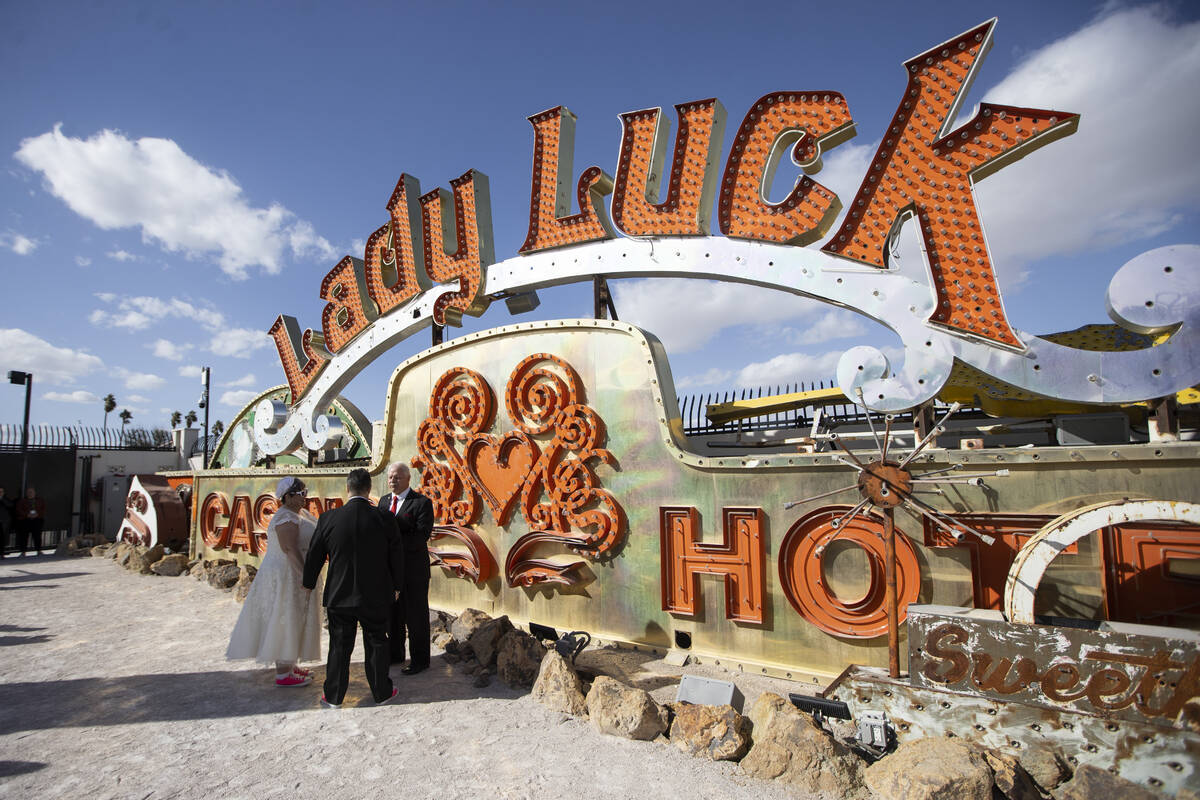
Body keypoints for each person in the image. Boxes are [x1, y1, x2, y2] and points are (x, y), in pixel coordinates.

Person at [303, 468, 405, 708]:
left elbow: (314, 555)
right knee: (378, 643)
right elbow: (396, 556)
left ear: (347, 489)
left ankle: (334, 696)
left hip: (339, 594)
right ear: (369, 489)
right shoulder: (384, 518)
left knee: (339, 646)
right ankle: (382, 692)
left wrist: (307, 584)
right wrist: (397, 586)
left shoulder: (328, 518)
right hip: (376, 593)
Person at [226, 476, 322, 687]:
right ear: (287, 497)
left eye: (305, 492)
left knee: (296, 616)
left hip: (292, 571)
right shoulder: (285, 517)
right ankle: (283, 672)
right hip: (287, 573)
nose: (304, 497)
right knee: (285, 615)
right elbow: (290, 549)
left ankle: (289, 662)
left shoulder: (298, 513)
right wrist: (305, 576)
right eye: (300, 493)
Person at [378, 462, 435, 673]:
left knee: (416, 616)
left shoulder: (421, 503)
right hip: (390, 572)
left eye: (397, 477)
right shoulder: (383, 503)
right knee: (393, 616)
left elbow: (421, 536)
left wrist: (393, 538)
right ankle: (395, 654)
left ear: (408, 479)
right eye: (391, 477)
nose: (393, 480)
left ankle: (420, 660)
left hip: (413, 571)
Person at [15, 487, 46, 557]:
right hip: (25, 520)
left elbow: (43, 509)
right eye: (29, 492)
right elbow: (19, 509)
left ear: (35, 493)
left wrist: (37, 514)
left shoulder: (40, 500)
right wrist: (27, 515)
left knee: (37, 535)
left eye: (31, 492)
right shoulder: (22, 501)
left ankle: (39, 550)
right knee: (24, 536)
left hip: (37, 520)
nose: (30, 494)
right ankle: (23, 551)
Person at [0, 487, 13, 557]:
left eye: (1, 492)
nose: (0, 493)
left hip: (3, 521)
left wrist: (2, 498)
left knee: (2, 538)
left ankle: (1, 553)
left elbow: (10, 505)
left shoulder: (6, 499)